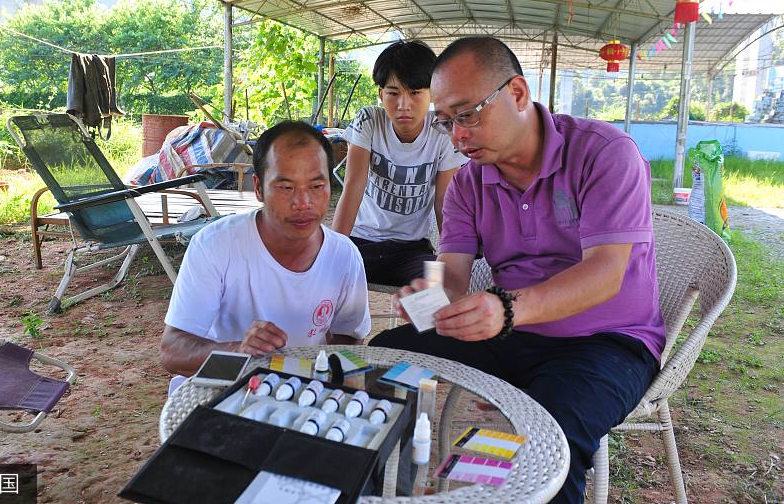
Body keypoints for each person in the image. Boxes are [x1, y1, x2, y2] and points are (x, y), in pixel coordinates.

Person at [369, 36, 665, 504]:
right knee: (383, 361)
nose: (457, 137)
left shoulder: (604, 153)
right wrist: (427, 298)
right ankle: (396, 490)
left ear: (518, 93)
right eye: (445, 122)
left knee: (546, 442)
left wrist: (507, 309)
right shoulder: (468, 184)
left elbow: (606, 273)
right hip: (510, 332)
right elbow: (452, 275)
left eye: (468, 115)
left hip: (607, 343)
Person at [160, 121, 371, 380]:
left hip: (299, 392)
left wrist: (322, 381)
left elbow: (349, 337)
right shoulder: (215, 245)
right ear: (259, 188)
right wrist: (238, 350)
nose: (303, 203)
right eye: (286, 187)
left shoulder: (344, 256)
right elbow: (172, 351)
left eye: (316, 186)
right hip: (222, 388)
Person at [332, 40, 466, 286]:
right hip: (361, 243)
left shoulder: (442, 132)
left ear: (432, 93)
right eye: (393, 93)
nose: (404, 105)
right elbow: (353, 187)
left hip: (413, 250)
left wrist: (448, 261)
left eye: (415, 93)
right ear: (380, 94)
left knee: (437, 289)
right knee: (329, 279)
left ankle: (416, 313)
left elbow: (443, 204)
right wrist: (334, 251)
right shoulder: (369, 120)